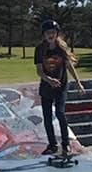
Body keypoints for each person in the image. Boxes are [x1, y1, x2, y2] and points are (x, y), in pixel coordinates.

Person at [35, 19, 84, 156]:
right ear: (44, 34)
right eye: (48, 33)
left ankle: (65, 144)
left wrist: (78, 82)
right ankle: (52, 145)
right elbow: (39, 70)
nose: (51, 35)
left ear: (57, 33)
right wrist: (49, 79)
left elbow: (69, 66)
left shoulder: (61, 48)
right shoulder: (40, 49)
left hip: (61, 87)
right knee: (47, 116)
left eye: (53, 32)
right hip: (46, 87)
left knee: (60, 113)